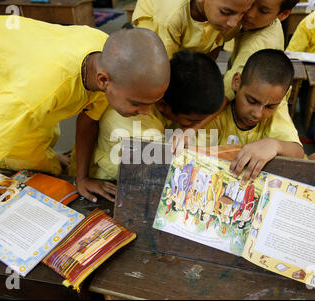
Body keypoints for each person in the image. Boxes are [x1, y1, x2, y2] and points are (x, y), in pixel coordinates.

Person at [0, 15, 170, 242]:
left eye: (152, 102)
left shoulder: (107, 62)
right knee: (19, 152)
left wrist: (81, 178)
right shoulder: (39, 92)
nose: (145, 112)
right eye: (137, 103)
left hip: (16, 50)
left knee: (40, 129)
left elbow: (89, 119)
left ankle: (47, 156)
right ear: (103, 81)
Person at [68, 50, 225, 198]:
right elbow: (155, 180)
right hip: (105, 182)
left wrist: (190, 128)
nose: (193, 126)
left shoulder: (151, 85)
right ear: (163, 105)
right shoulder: (143, 133)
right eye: (191, 121)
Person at [204, 49, 309, 183]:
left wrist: (274, 145)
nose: (258, 114)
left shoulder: (276, 116)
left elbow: (298, 153)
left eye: (270, 107)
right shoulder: (217, 117)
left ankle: (314, 158)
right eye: (251, 101)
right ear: (237, 82)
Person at [223, 0, 299, 101]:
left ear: (283, 14)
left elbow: (226, 95)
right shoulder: (271, 22)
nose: (249, 14)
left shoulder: (257, 46)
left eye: (263, 11)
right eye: (250, 2)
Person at [131, 0, 253, 59]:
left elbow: (215, 45)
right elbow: (166, 64)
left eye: (243, 13)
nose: (234, 23)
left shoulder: (229, 14)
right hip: (157, 29)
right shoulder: (172, 16)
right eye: (225, 12)